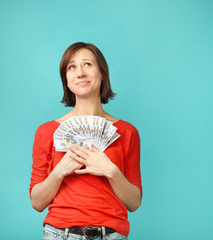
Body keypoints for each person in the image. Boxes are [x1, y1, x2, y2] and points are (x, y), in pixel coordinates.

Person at [29, 42, 142, 240]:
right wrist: (60, 171)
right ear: (67, 80)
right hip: (59, 234)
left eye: (88, 64)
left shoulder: (127, 132)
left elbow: (134, 202)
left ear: (102, 74)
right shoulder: (46, 131)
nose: (80, 72)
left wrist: (110, 170)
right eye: (72, 67)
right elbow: (37, 203)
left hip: (111, 235)